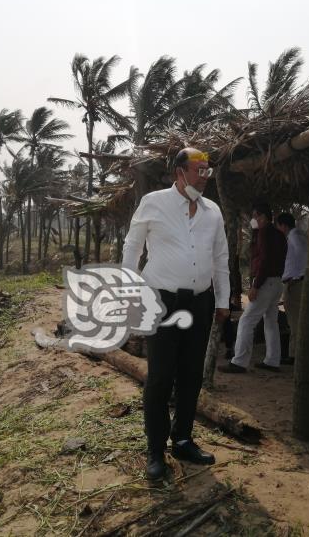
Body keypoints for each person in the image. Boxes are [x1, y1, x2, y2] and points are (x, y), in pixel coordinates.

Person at [122, 147, 230, 481]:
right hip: (163, 302)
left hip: (199, 302)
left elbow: (221, 257)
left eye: (207, 170)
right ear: (178, 173)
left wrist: (223, 300)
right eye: (198, 169)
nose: (204, 176)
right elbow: (132, 247)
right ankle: (155, 450)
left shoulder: (212, 212)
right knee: (160, 377)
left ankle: (182, 439)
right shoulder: (154, 203)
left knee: (191, 375)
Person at [219, 202, 287, 373]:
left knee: (246, 321)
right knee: (271, 322)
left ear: (262, 217)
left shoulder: (264, 233)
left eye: (255, 216)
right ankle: (273, 360)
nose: (252, 220)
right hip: (277, 281)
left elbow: (264, 260)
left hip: (265, 282)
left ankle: (239, 362)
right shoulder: (278, 234)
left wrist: (256, 285)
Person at [275, 212, 307, 365]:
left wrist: (298, 276)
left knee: (295, 321)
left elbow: (304, 256)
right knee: (295, 320)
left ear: (283, 225)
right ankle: (295, 353)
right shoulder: (298, 235)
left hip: (295, 283)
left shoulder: (294, 237)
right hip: (295, 282)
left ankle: (295, 355)